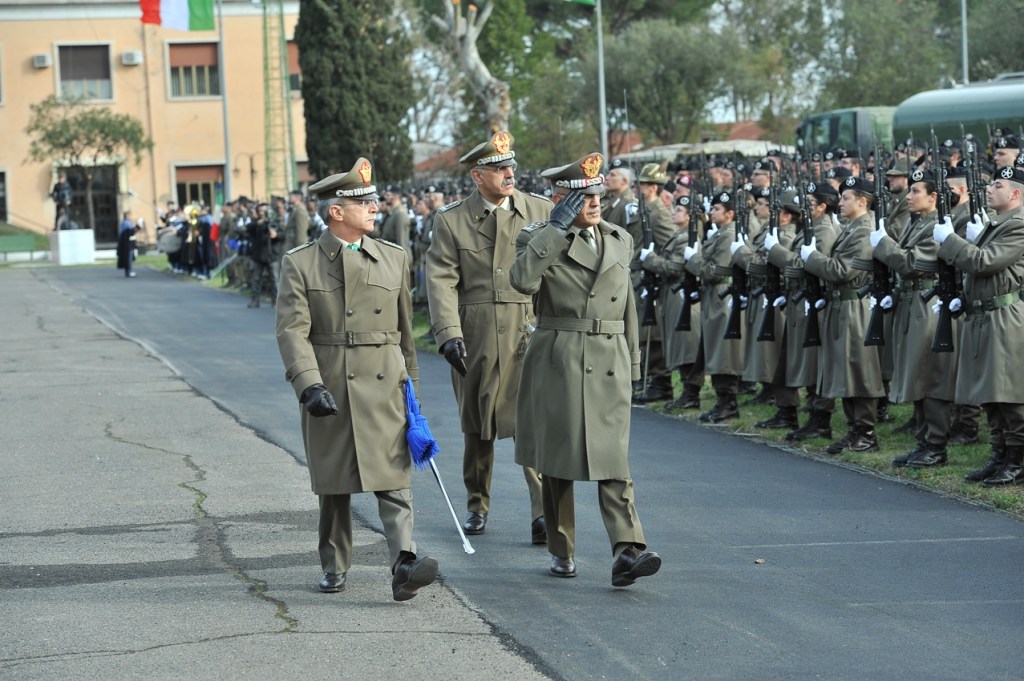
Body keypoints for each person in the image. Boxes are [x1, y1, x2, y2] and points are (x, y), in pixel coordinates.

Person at [275, 156, 438, 599]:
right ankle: (334, 564)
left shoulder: (394, 258)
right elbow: (292, 330)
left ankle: (404, 562)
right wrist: (308, 384)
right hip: (331, 385)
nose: (375, 207)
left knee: (394, 477)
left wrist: (413, 391)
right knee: (335, 484)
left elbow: (405, 334)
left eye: (373, 199)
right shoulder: (302, 264)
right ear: (336, 211)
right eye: (364, 201)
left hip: (386, 384)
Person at [510, 152, 661, 586]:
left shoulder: (618, 238)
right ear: (560, 199)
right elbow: (521, 281)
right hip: (560, 355)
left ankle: (628, 549)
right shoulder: (538, 237)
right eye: (582, 195)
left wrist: (633, 362)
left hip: (609, 356)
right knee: (559, 461)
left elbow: (628, 303)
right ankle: (561, 547)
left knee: (614, 458)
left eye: (597, 193)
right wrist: (556, 228)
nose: (594, 201)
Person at [426, 131, 550, 541]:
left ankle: (543, 511)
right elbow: (441, 279)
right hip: (475, 330)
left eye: (511, 167)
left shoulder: (541, 210)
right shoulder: (452, 220)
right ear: (478, 176)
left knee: (531, 421)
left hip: (526, 326)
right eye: (500, 169)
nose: (509, 174)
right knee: (477, 424)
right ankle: (477, 504)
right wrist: (447, 334)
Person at [934, 164, 1024, 486]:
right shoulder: (997, 224)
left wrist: (950, 241)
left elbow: (983, 263)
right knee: (991, 394)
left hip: (1004, 319)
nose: (989, 188)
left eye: (997, 185)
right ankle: (999, 455)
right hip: (984, 315)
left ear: (1015, 193)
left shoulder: (1019, 226)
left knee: (1009, 396)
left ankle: (1017, 461)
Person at [872, 169, 955, 467]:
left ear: (933, 197)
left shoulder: (938, 226)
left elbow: (911, 264)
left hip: (926, 304)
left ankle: (936, 445)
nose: (908, 196)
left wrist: (882, 243)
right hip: (909, 301)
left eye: (915, 191)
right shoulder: (915, 222)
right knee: (916, 376)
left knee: (930, 376)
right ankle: (924, 442)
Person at [801, 176, 885, 454]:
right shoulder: (852, 228)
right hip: (842, 306)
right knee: (847, 371)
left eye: (846, 197)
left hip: (855, 307)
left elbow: (842, 271)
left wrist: (811, 257)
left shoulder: (864, 230)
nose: (840, 202)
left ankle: (866, 433)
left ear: (862, 201)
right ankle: (855, 431)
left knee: (859, 370)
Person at [247, 203, 285, 308]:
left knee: (275, 279)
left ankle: (276, 301)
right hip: (258, 254)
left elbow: (283, 235)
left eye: (265, 210)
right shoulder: (256, 223)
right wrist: (259, 223)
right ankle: (255, 300)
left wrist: (276, 235)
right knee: (256, 279)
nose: (263, 213)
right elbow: (249, 229)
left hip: (272, 254)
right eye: (261, 211)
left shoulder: (276, 221)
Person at [116, 213, 139, 278]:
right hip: (128, 243)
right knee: (129, 258)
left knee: (128, 258)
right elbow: (130, 232)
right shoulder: (127, 223)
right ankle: (129, 271)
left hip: (125, 242)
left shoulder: (123, 223)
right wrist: (137, 227)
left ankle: (128, 271)